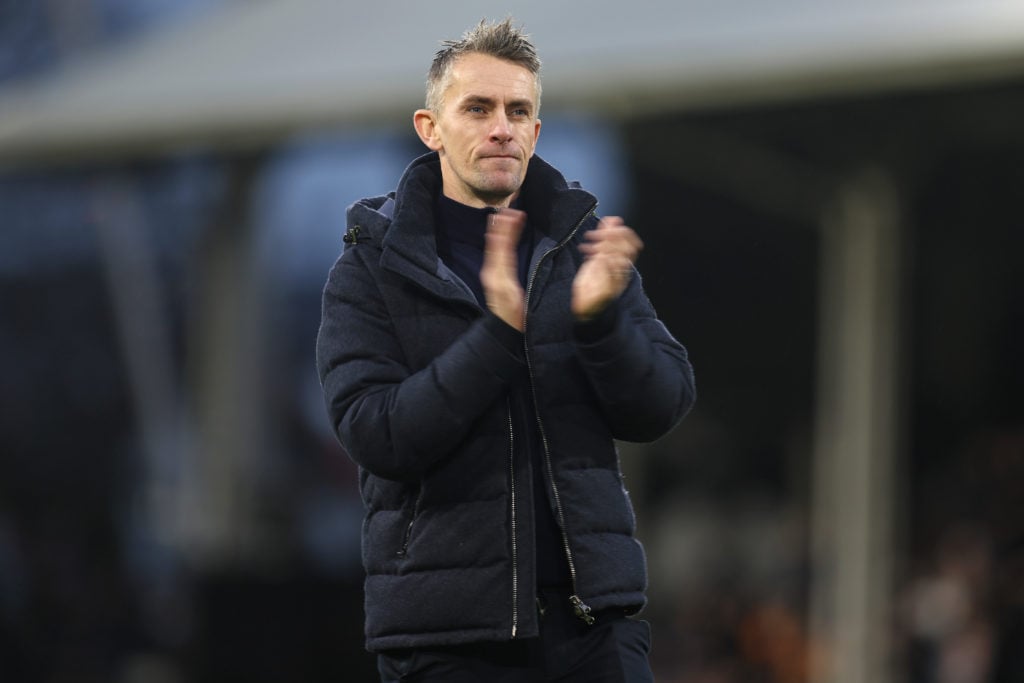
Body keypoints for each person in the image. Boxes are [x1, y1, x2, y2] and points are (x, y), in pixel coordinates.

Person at [316, 17, 695, 682]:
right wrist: (495, 333)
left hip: (594, 628)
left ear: (537, 131)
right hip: (449, 638)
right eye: (478, 108)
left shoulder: (583, 248)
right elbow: (377, 434)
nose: (502, 127)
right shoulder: (369, 270)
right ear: (429, 128)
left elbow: (662, 404)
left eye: (520, 110)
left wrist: (600, 323)